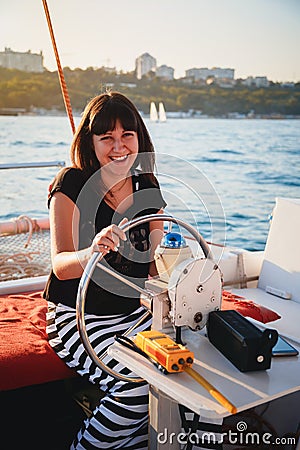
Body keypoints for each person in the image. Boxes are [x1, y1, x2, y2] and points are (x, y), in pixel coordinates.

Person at [44, 91, 166, 449]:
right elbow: (60, 266)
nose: (119, 146)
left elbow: (159, 253)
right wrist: (90, 251)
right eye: (106, 137)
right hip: (77, 314)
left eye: (127, 135)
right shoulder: (72, 183)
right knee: (136, 385)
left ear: (139, 138)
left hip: (133, 311)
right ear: (90, 141)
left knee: (186, 371)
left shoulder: (148, 185)